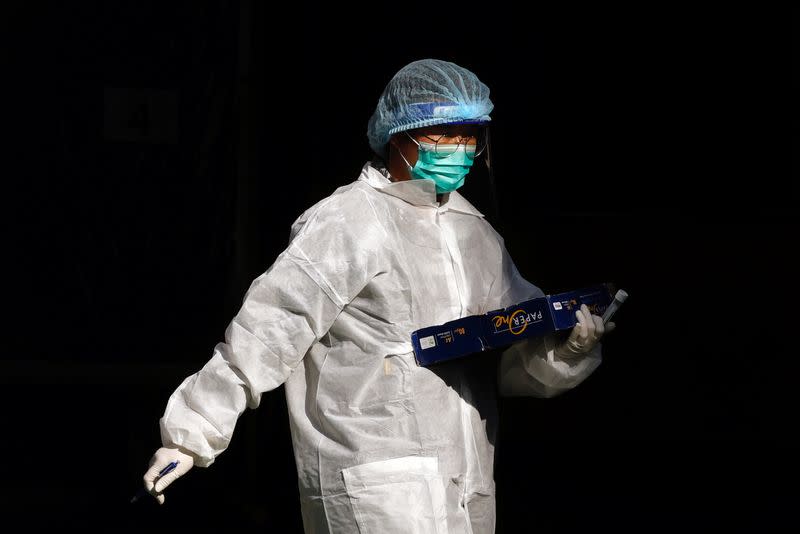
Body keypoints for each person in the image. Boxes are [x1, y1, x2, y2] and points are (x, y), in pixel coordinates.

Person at [141, 58, 614, 533]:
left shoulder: (473, 232)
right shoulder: (349, 220)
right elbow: (269, 330)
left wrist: (566, 346)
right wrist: (190, 435)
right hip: (374, 483)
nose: (459, 148)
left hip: (465, 485)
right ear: (398, 133)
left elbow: (513, 354)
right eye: (442, 133)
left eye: (469, 134)